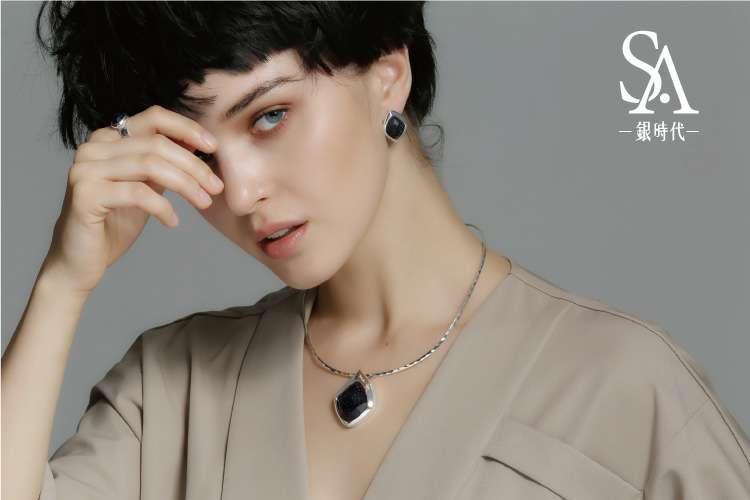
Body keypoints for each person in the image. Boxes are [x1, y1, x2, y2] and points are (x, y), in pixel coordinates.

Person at [2, 2, 748, 500]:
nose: (241, 191)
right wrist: (64, 283)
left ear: (388, 75)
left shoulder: (625, 388)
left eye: (269, 116)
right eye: (198, 154)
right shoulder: (173, 390)